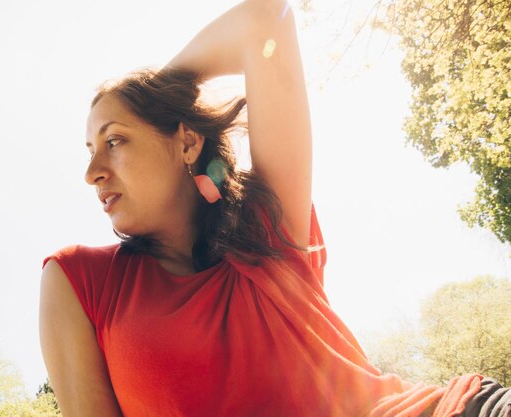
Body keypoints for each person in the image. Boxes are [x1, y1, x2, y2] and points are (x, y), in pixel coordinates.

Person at [39, 1, 510, 416]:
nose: (93, 171)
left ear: (186, 141)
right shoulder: (80, 281)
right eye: (89, 151)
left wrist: (158, 92)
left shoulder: (264, 228)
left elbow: (265, 21)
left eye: (115, 140)